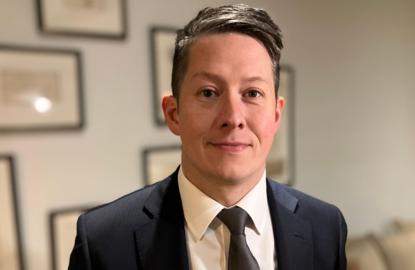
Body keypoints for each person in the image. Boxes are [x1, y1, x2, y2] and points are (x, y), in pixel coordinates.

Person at [68, 4, 347, 270]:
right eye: (209, 93)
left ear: (276, 115)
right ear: (174, 114)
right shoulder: (103, 241)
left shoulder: (325, 226)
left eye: (252, 93)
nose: (233, 117)